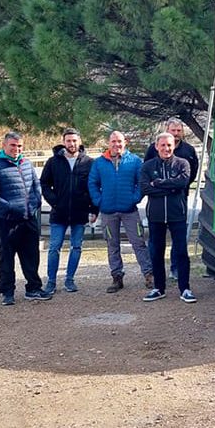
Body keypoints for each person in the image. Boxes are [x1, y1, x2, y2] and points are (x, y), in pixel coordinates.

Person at [0, 132, 50, 305]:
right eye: (13, 145)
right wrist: (8, 206)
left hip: (28, 218)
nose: (16, 149)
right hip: (6, 220)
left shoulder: (27, 164)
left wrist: (35, 203)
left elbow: (36, 187)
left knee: (31, 255)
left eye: (20, 146)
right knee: (6, 256)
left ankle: (33, 288)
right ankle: (7, 292)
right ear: (4, 146)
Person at [89, 130, 153, 293]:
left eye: (119, 141)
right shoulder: (99, 163)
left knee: (138, 242)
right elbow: (92, 183)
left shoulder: (135, 161)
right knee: (112, 244)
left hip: (129, 210)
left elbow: (141, 182)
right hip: (108, 212)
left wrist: (135, 198)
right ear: (108, 143)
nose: (116, 144)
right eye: (113, 141)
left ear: (125, 142)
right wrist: (99, 201)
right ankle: (117, 277)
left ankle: (149, 275)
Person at [140, 133, 197, 304]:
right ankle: (159, 288)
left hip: (177, 215)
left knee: (181, 252)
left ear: (174, 146)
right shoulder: (148, 166)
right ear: (156, 146)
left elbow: (182, 183)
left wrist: (157, 183)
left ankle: (185, 288)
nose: (166, 148)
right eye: (163, 145)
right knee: (156, 253)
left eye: (169, 145)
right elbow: (144, 188)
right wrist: (170, 187)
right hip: (155, 216)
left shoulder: (183, 163)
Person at [40, 128, 98, 294]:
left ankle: (70, 279)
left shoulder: (89, 163)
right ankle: (51, 281)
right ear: (63, 142)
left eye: (74, 141)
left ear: (79, 141)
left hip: (80, 212)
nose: (71, 144)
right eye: (68, 141)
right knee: (54, 247)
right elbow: (44, 184)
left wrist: (94, 209)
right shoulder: (53, 162)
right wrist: (55, 201)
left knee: (76, 247)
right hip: (59, 212)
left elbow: (94, 187)